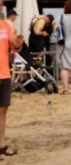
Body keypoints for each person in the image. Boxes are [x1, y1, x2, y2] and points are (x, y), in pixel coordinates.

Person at [0, 14, 23, 157]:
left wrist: (17, 43)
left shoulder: (5, 25)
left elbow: (14, 48)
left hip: (4, 73)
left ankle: (1, 144)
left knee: (2, 110)